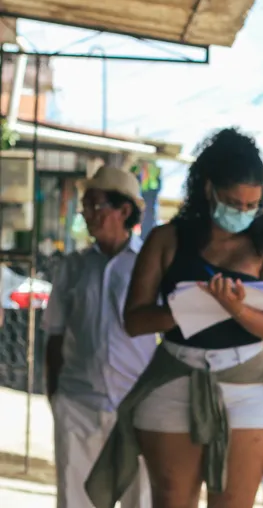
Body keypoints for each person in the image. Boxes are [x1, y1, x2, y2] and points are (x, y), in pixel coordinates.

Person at [85, 128, 263, 508]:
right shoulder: (167, 238)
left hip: (246, 384)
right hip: (176, 374)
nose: (241, 212)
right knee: (172, 500)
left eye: (251, 205)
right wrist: (186, 308)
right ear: (208, 189)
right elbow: (134, 321)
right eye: (232, 202)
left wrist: (236, 309)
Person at [42, 165, 154, 508]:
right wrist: (56, 395)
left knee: (141, 500)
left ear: (123, 211)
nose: (86, 214)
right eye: (85, 206)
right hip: (79, 403)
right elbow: (55, 334)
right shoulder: (73, 267)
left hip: (136, 404)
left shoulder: (148, 265)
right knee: (76, 500)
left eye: (95, 206)